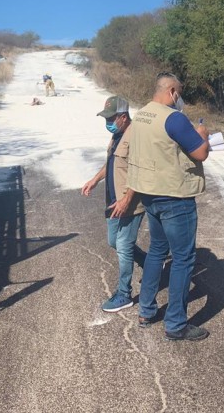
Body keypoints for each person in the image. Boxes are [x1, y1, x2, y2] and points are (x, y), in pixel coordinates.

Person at [127, 72, 210, 341]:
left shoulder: (140, 115)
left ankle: (146, 310)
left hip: (150, 194)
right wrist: (203, 135)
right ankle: (176, 324)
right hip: (175, 196)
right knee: (183, 259)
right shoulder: (173, 118)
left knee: (156, 252)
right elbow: (200, 153)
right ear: (172, 90)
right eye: (179, 93)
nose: (179, 98)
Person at [81, 96, 147, 313]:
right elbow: (111, 163)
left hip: (129, 203)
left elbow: (140, 172)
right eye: (105, 118)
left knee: (124, 246)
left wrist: (126, 199)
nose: (107, 122)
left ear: (123, 116)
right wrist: (94, 180)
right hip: (113, 201)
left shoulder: (136, 136)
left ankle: (124, 294)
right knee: (113, 242)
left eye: (111, 118)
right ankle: (150, 263)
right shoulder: (117, 135)